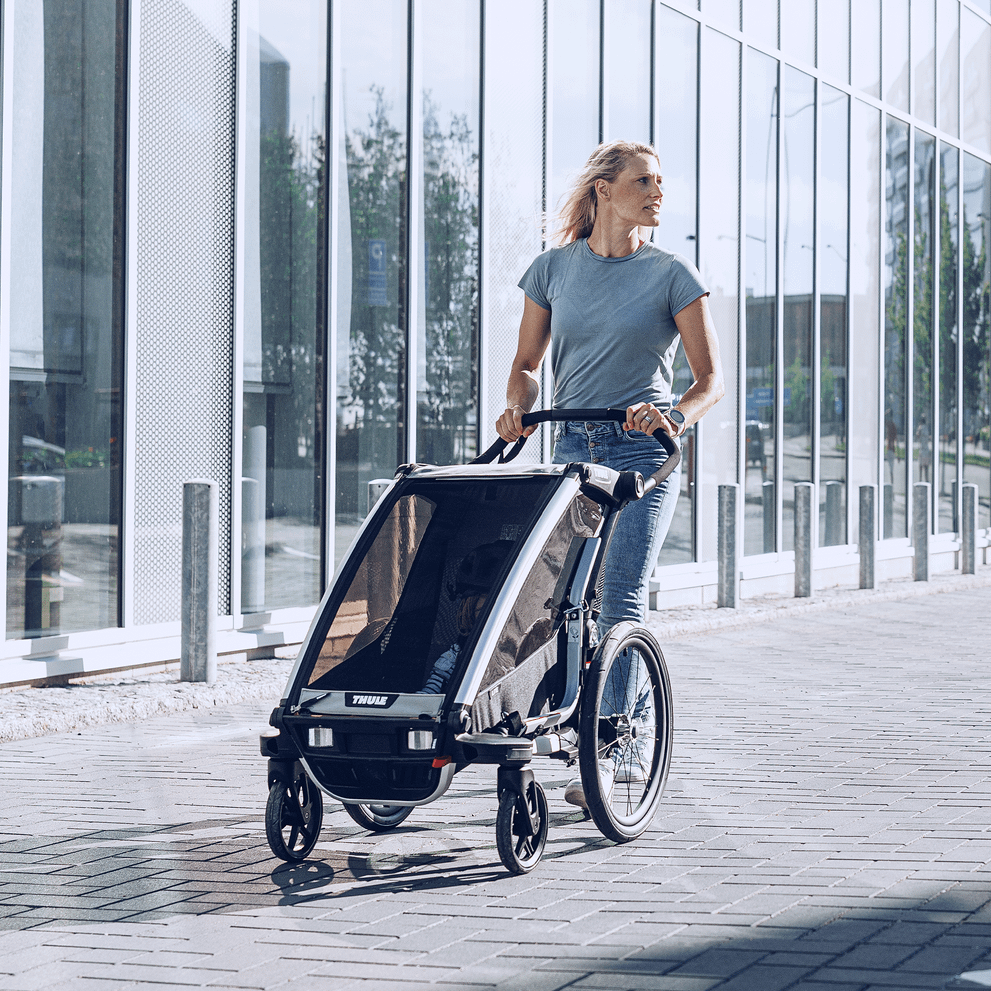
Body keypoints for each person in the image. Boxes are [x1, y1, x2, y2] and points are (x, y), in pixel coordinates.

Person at [495, 140, 724, 808]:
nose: (657, 192)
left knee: (620, 591)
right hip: (570, 446)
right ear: (603, 189)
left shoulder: (672, 274)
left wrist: (671, 417)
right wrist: (516, 407)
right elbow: (527, 365)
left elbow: (709, 380)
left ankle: (618, 743)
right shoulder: (552, 270)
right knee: (559, 598)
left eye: (660, 182)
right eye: (643, 181)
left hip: (639, 454)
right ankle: (554, 715)